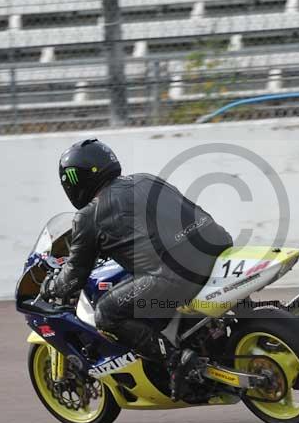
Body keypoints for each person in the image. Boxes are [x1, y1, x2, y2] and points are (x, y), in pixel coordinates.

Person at [40, 138, 233, 400]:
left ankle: (176, 362)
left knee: (107, 312)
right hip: (215, 245)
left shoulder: (88, 216)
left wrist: (51, 285)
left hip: (175, 276)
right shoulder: (145, 179)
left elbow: (74, 277)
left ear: (75, 180)